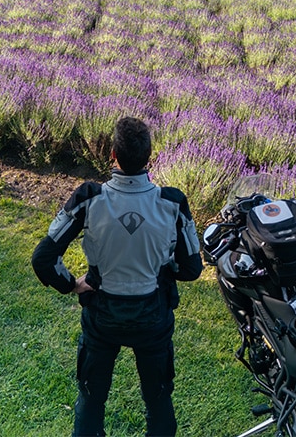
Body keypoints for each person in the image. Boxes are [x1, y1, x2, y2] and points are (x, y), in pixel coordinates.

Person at [31, 116, 203, 437]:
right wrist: (162, 265)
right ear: (150, 157)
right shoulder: (172, 203)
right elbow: (191, 269)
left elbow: (43, 258)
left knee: (91, 400)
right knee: (158, 401)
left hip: (101, 318)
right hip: (153, 319)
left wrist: (72, 284)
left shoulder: (88, 198)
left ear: (112, 154)